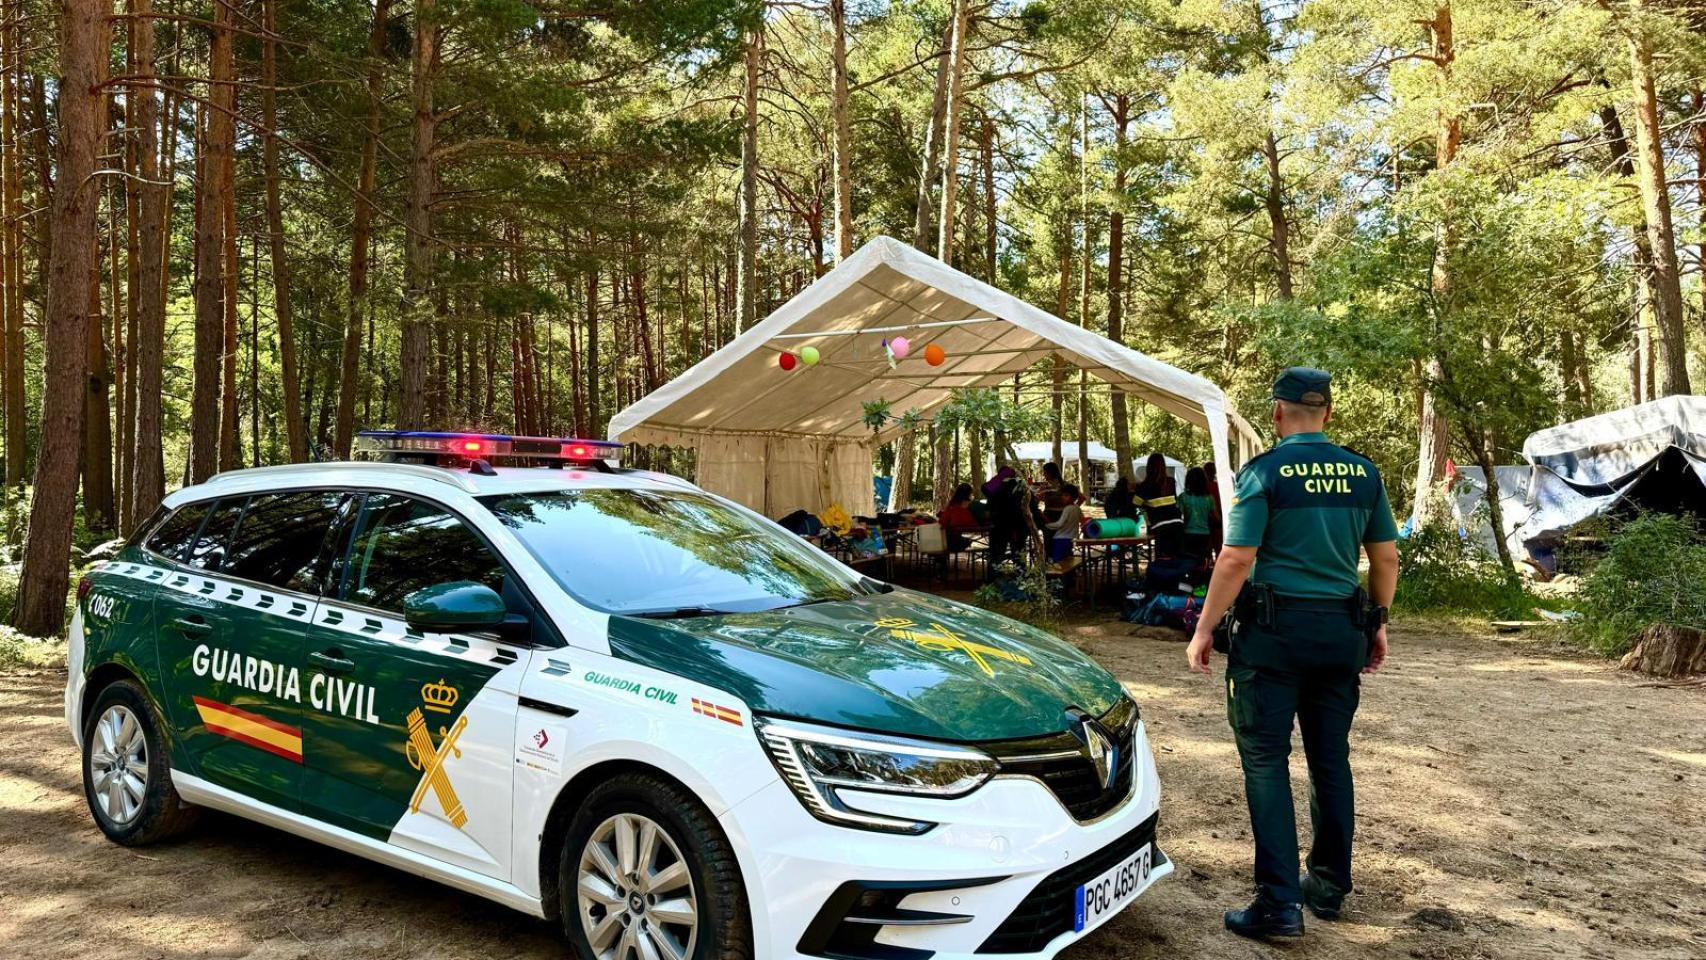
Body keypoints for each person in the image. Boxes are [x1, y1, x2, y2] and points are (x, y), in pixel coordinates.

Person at [1184, 367, 1399, 940]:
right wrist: (1377, 622)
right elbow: (1385, 561)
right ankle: (1327, 888)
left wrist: (1204, 629)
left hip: (1273, 636)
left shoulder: (1264, 473)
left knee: (1265, 761)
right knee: (1331, 760)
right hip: (1339, 634)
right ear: (1327, 413)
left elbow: (1235, 559)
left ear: (1277, 414)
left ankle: (1278, 904)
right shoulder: (1363, 473)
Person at [1135, 452, 1184, 557]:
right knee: (1177, 557)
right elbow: (1173, 500)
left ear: (1148, 467)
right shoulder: (1171, 481)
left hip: (1159, 525)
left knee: (1162, 559)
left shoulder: (1144, 486)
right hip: (1177, 523)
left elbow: (1135, 504)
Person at [1178, 466, 1219, 560]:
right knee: (1202, 561)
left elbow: (1178, 516)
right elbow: (1217, 518)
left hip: (1188, 533)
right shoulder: (1209, 498)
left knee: (1189, 560)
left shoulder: (1183, 497)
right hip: (1205, 534)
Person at [1044, 483, 1084, 562]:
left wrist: (1046, 525)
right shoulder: (1077, 508)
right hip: (1070, 539)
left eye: (1066, 495)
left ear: (1073, 497)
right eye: (1062, 495)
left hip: (1060, 539)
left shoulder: (1067, 509)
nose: (1063, 497)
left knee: (1058, 562)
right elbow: (1082, 519)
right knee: (1067, 560)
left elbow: (1059, 524)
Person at [939, 483, 980, 551]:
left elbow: (942, 522)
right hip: (956, 541)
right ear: (969, 494)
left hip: (949, 540)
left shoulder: (952, 507)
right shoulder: (972, 508)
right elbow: (974, 524)